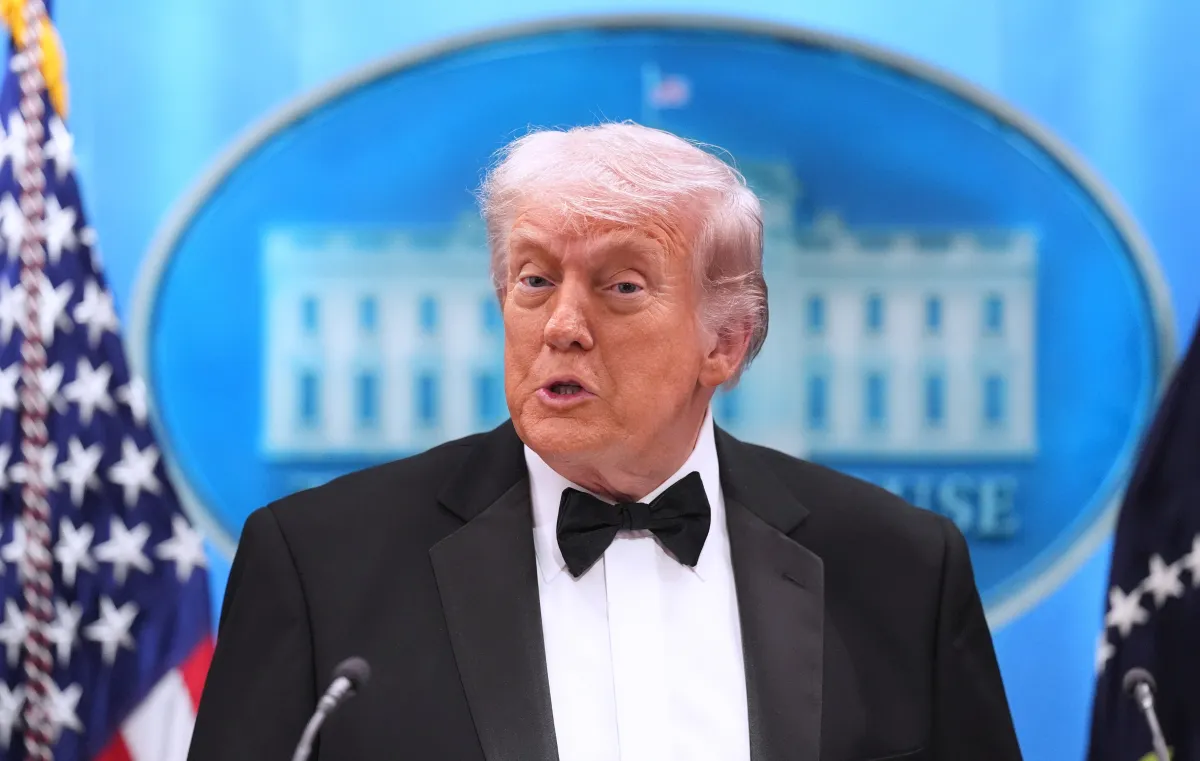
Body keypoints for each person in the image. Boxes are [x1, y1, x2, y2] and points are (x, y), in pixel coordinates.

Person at [187, 122, 1023, 761]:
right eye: (535, 279)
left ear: (724, 343)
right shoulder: (321, 567)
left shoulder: (901, 570)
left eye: (621, 285)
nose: (562, 325)